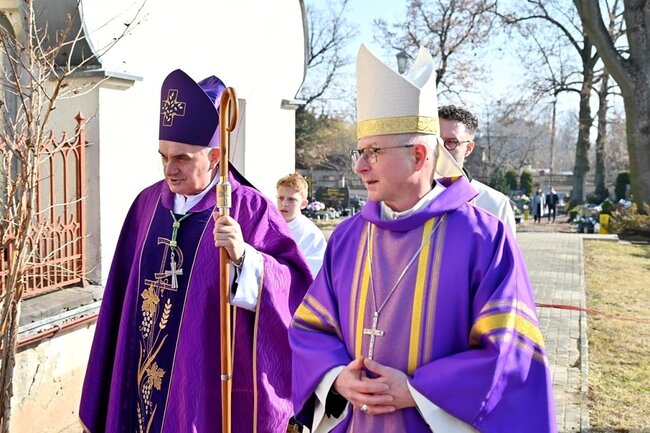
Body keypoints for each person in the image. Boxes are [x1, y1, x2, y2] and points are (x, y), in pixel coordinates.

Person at [289, 45, 556, 432]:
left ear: (418, 155)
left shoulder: (484, 239)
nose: (359, 166)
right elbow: (311, 329)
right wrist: (336, 377)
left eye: (373, 152)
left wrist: (418, 390)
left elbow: (510, 355)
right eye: (359, 152)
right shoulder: (348, 237)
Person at [79, 69, 312, 433]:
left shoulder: (251, 210)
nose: (169, 170)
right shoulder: (146, 205)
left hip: (203, 389)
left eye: (183, 158)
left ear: (215, 155)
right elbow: (119, 299)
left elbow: (296, 291)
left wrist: (245, 259)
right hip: (139, 378)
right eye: (163, 157)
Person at [438, 105, 517, 236]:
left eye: (451, 142)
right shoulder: (412, 200)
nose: (441, 148)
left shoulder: (495, 205)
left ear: (468, 148)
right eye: (437, 141)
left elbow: (506, 249)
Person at [277, 172, 327, 277]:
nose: (284, 203)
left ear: (303, 204)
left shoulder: (312, 235)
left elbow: (314, 272)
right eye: (281, 198)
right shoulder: (267, 224)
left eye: (291, 199)